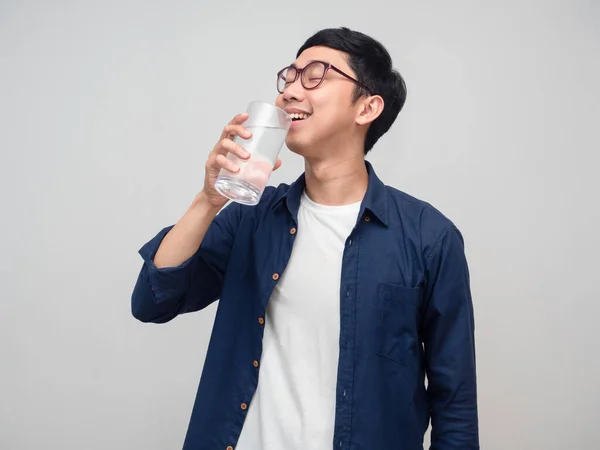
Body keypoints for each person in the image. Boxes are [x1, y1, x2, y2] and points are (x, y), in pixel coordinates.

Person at [131, 27, 479, 450]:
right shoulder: (252, 218)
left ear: (367, 107)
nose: (290, 91)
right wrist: (208, 200)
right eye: (290, 76)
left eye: (315, 75)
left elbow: (455, 404)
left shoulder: (428, 237)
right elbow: (153, 300)